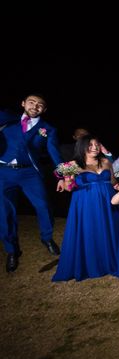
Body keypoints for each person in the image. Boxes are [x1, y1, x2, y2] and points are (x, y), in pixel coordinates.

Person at [0, 93, 62, 273]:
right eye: (32, 102)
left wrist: (63, 175)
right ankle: (12, 251)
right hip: (3, 172)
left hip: (30, 173)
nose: (35, 106)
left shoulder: (48, 129)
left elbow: (54, 153)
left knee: (43, 205)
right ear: (23, 103)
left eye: (40, 104)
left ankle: (46, 237)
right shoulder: (7, 121)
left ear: (44, 109)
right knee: (5, 213)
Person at [52, 135, 119, 281]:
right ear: (82, 146)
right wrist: (67, 180)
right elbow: (69, 188)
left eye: (97, 144)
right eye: (90, 145)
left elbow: (113, 181)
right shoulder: (73, 164)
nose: (95, 147)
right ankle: (92, 264)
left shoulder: (106, 161)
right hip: (86, 203)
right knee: (90, 230)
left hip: (107, 200)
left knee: (109, 229)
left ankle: (111, 260)